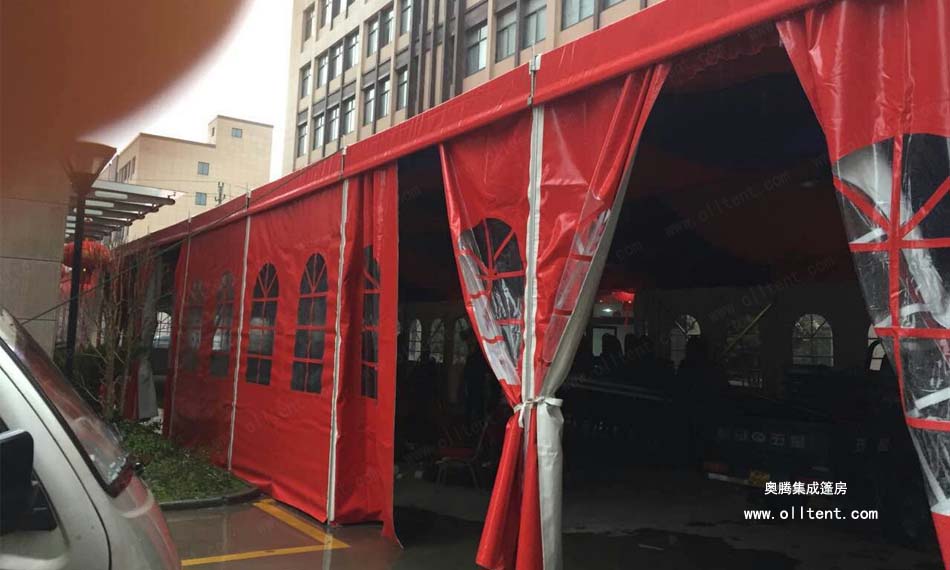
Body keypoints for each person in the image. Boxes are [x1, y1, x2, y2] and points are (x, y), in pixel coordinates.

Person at [463, 332, 491, 424]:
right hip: (476, 385)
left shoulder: (474, 358)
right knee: (476, 405)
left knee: (475, 405)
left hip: (477, 385)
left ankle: (473, 422)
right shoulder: (477, 358)